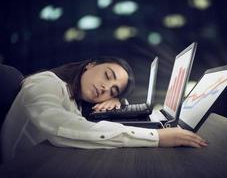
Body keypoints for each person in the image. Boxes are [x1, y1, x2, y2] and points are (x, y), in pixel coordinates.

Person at [1, 57, 207, 162]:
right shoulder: (45, 83)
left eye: (113, 89)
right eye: (107, 76)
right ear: (90, 65)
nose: (105, 88)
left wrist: (117, 103)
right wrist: (157, 137)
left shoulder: (76, 102)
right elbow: (60, 125)